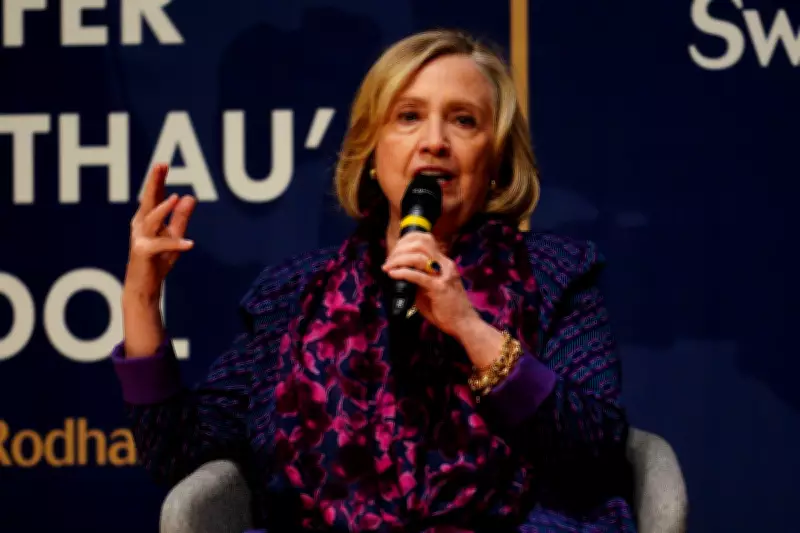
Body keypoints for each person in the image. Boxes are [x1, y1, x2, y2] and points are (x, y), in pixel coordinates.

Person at [112, 29, 637, 532]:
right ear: (371, 152)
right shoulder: (293, 294)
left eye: (463, 121)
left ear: (496, 159)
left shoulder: (555, 275)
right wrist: (142, 297)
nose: (434, 142)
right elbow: (179, 454)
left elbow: (597, 454)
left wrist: (471, 330)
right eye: (409, 117)